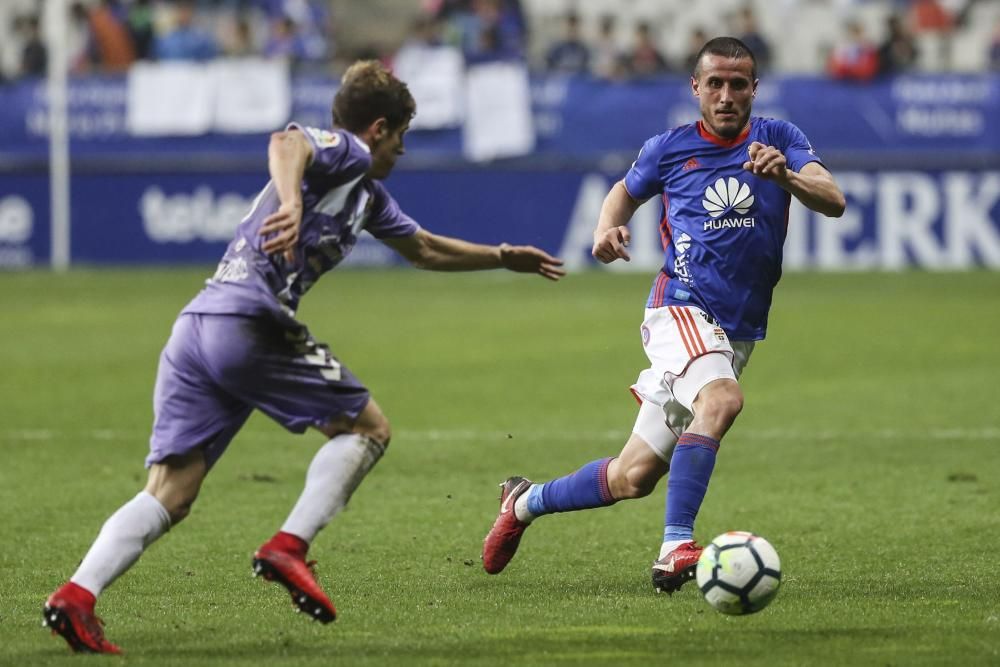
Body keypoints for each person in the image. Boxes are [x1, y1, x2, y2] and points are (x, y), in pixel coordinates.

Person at [43, 60, 565, 655]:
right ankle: (289, 546)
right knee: (368, 428)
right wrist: (290, 202)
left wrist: (501, 256)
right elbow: (287, 142)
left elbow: (422, 249)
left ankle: (77, 596)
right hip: (246, 318)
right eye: (400, 136)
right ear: (377, 129)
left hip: (199, 327)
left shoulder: (366, 196)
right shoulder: (346, 151)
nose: (400, 150)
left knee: (172, 490)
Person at [481, 37, 845, 595]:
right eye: (715, 84)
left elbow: (833, 198)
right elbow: (622, 194)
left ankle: (524, 501)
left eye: (738, 84)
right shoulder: (668, 149)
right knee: (721, 400)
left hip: (735, 331)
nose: (726, 95)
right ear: (696, 88)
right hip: (679, 308)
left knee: (633, 477)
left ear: (754, 89)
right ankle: (676, 547)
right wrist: (606, 229)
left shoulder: (780, 139)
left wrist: (788, 179)